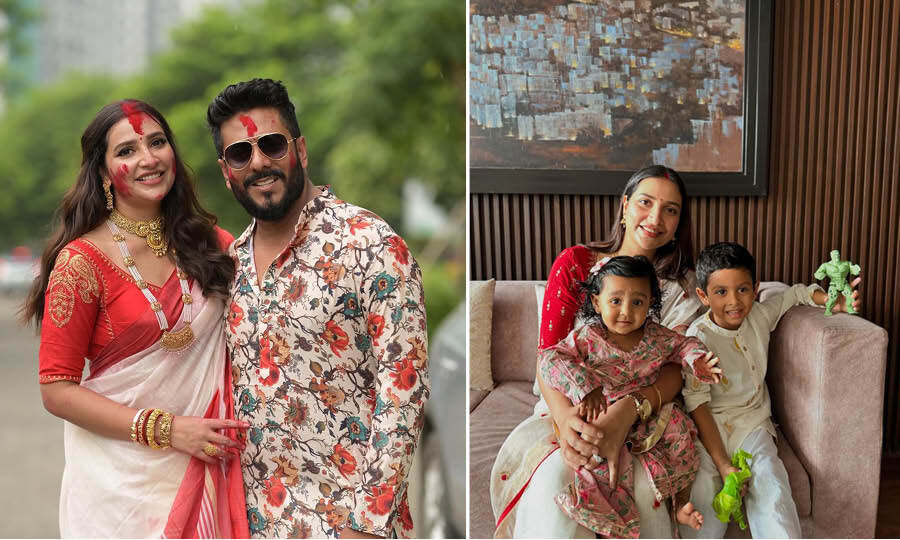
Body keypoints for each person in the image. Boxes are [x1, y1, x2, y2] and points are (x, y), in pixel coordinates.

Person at [206, 78, 429, 539]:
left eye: (271, 144)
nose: (259, 162)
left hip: (347, 525)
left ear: (301, 150)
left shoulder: (369, 243)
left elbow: (403, 390)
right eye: (240, 154)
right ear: (226, 171)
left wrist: (366, 526)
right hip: (252, 525)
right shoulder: (230, 266)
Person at [24, 100, 250, 537]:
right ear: (104, 173)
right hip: (120, 487)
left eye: (157, 142)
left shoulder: (212, 245)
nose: (148, 158)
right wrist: (169, 430)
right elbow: (56, 390)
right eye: (127, 151)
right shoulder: (80, 264)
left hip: (210, 469)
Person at [491, 165, 706, 538]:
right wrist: (568, 424)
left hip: (650, 418)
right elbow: (548, 357)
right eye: (645, 202)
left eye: (670, 210)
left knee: (648, 493)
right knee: (556, 485)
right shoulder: (576, 264)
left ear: (679, 222)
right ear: (625, 206)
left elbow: (676, 367)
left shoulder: (683, 287)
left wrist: (627, 412)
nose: (655, 218)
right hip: (573, 408)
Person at [681, 242, 862, 538]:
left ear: (756, 289)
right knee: (703, 494)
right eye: (721, 292)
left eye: (742, 289)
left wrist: (834, 302)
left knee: (773, 487)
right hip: (710, 428)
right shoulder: (697, 338)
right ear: (703, 296)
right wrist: (723, 464)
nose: (734, 301)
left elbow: (797, 294)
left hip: (753, 424)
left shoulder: (760, 315)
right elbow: (697, 403)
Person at [538, 256, 722, 537]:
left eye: (637, 302)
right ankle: (612, 524)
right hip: (604, 414)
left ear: (651, 303)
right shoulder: (586, 337)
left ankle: (680, 503)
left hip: (648, 417)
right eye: (615, 301)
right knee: (601, 466)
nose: (626, 311)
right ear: (597, 302)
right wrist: (586, 387)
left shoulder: (658, 336)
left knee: (682, 434)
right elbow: (550, 359)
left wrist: (696, 360)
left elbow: (684, 345)